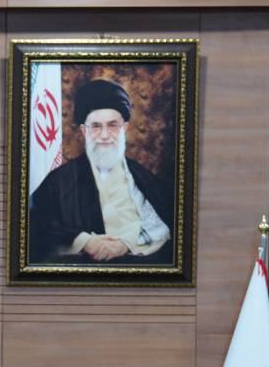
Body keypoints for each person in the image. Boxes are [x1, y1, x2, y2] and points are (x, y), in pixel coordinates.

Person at [29, 78, 173, 265]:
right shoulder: (58, 182)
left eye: (113, 125)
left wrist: (125, 244)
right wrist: (84, 242)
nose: (105, 135)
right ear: (84, 131)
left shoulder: (144, 178)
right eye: (96, 126)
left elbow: (163, 226)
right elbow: (38, 228)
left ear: (125, 128)